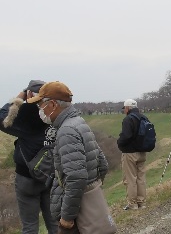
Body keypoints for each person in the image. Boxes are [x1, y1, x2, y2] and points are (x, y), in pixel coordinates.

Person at [27, 81, 109, 232]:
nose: (40, 110)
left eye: (40, 105)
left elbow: (76, 177)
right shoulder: (80, 123)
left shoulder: (66, 131)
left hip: (75, 215)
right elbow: (102, 164)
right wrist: (92, 191)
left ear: (52, 104)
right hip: (87, 205)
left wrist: (67, 216)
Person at [0, 80, 58, 234]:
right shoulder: (55, 112)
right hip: (51, 175)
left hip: (26, 177)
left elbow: (2, 118)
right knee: (54, 223)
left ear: (30, 94)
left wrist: (19, 99)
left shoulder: (25, 113)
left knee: (30, 226)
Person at [117, 99, 148, 210]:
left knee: (130, 179)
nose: (124, 110)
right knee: (141, 178)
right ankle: (142, 202)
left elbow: (126, 136)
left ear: (127, 108)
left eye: (124, 108)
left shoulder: (128, 119)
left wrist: (119, 143)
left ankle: (132, 204)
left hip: (130, 153)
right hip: (142, 152)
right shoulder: (144, 117)